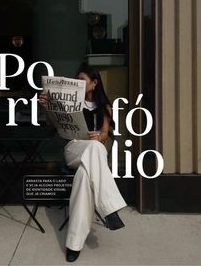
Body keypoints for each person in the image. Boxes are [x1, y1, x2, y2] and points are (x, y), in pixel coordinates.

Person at [39, 63, 127, 262]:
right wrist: (46, 107)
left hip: (94, 153)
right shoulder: (70, 102)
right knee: (93, 150)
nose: (78, 82)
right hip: (74, 149)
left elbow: (106, 134)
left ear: (94, 83)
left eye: (82, 80)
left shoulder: (105, 106)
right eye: (77, 79)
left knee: (84, 176)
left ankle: (74, 244)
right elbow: (54, 125)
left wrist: (99, 136)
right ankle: (110, 209)